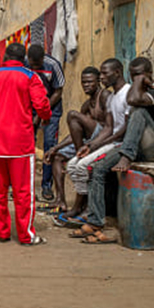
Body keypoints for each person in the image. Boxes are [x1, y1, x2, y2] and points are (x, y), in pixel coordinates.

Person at [76, 57, 154, 244]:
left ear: (149, 74)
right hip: (135, 146)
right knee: (97, 169)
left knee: (137, 111)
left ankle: (126, 155)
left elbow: (134, 99)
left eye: (139, 75)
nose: (135, 78)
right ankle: (95, 221)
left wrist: (139, 81)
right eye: (133, 75)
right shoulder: (133, 91)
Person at [0, 42, 52, 245]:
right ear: (24, 59)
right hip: (20, 143)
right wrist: (45, 117)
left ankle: (2, 232)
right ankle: (25, 235)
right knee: (23, 192)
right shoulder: (30, 77)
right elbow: (42, 105)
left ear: (5, 58)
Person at [63, 58, 128, 224]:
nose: (102, 78)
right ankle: (83, 206)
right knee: (72, 164)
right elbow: (108, 128)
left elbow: (125, 129)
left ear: (117, 73)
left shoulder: (127, 93)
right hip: (110, 141)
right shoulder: (113, 97)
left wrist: (98, 145)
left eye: (105, 74)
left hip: (122, 144)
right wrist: (90, 146)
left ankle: (89, 211)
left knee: (85, 166)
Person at [43, 67, 108, 213]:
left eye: (90, 82)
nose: (86, 85)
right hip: (88, 139)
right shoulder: (86, 105)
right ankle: (60, 200)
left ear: (98, 81)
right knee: (57, 157)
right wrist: (56, 147)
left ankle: (80, 155)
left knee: (73, 114)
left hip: (102, 138)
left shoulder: (104, 97)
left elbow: (110, 126)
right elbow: (76, 131)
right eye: (83, 82)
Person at [25, 44, 65, 202]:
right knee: (28, 145)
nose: (34, 67)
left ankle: (46, 185)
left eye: (37, 64)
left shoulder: (53, 65)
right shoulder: (23, 64)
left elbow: (58, 91)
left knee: (50, 145)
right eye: (32, 64)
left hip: (51, 108)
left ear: (43, 58)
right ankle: (27, 186)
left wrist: (43, 112)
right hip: (30, 108)